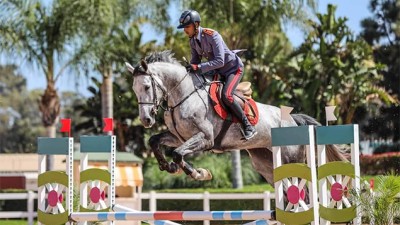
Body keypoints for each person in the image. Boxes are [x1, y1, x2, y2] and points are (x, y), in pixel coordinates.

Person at [177, 10, 257, 140]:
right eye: (183, 28)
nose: (185, 30)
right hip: (218, 71)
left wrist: (198, 67)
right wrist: (189, 69)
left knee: (227, 96)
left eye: (187, 27)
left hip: (233, 69)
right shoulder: (192, 41)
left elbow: (220, 61)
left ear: (196, 25)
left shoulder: (212, 35)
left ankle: (248, 126)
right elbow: (195, 62)